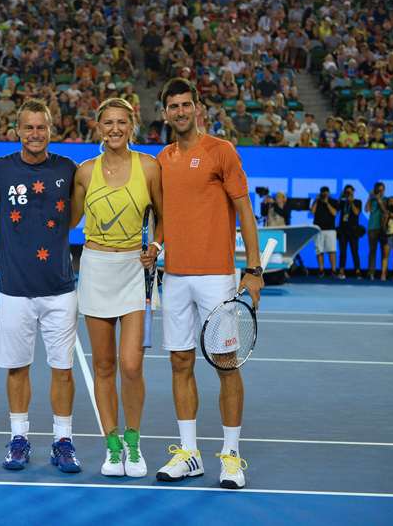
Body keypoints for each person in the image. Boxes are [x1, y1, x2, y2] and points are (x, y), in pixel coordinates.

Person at [151, 78, 263, 490]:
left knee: (225, 365)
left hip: (217, 277)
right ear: (164, 113)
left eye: (186, 105)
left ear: (197, 108)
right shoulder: (161, 159)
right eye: (172, 106)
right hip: (175, 277)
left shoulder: (222, 152)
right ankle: (189, 454)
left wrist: (253, 269)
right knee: (180, 362)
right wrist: (156, 244)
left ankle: (231, 457)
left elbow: (244, 211)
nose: (180, 112)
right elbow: (165, 216)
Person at [0, 100, 82, 473]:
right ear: (17, 131)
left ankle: (63, 441)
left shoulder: (67, 170)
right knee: (17, 367)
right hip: (14, 289)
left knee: (62, 369)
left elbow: (75, 214)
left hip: (60, 289)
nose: (35, 134)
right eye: (28, 128)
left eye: (42, 127)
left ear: (50, 130)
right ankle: (19, 438)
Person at [70, 97, 163, 478]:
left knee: (131, 364)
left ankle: (134, 442)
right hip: (95, 269)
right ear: (97, 126)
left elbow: (164, 215)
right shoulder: (84, 172)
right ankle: (112, 445)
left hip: (134, 272)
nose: (114, 129)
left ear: (132, 126)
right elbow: (68, 219)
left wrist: (156, 246)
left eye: (121, 122)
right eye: (108, 122)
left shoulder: (149, 167)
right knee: (104, 365)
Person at [310, 186, 339, 277]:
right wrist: (316, 201)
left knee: (332, 250)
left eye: (326, 193)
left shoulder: (333, 201)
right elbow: (312, 212)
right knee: (319, 251)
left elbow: (334, 213)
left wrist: (327, 203)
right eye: (323, 193)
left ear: (329, 193)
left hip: (330, 229)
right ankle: (321, 270)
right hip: (318, 229)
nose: (324, 194)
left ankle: (333, 270)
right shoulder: (317, 202)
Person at [336, 184, 362, 279]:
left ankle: (358, 271)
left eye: (350, 192)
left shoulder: (357, 202)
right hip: (343, 230)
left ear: (353, 192)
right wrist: (340, 197)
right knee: (342, 252)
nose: (348, 194)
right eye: (347, 192)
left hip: (353, 230)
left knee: (355, 251)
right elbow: (336, 211)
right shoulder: (342, 203)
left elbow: (356, 213)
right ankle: (341, 271)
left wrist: (351, 203)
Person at [364, 182, 387, 280]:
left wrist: (379, 199)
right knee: (372, 251)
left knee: (384, 251)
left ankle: (383, 273)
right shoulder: (372, 200)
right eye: (379, 190)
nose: (380, 192)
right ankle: (371, 273)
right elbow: (366, 209)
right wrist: (370, 197)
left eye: (382, 190)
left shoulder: (386, 200)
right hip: (372, 227)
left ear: (384, 190)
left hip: (383, 228)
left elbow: (385, 211)